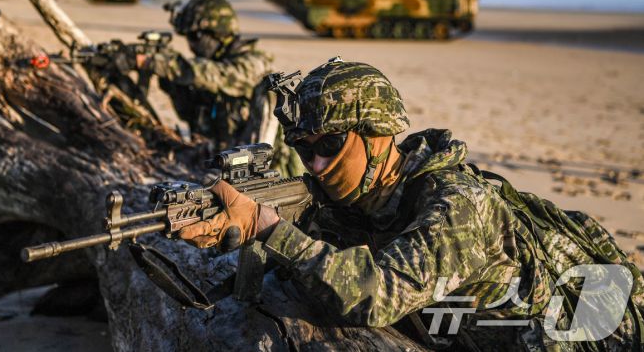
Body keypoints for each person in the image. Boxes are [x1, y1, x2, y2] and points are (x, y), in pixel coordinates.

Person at [178, 58, 644, 350]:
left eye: (331, 144)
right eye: (304, 148)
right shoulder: (356, 197)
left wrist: (269, 229)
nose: (316, 164)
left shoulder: (457, 206)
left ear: (378, 137)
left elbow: (377, 295)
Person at [136, 0, 274, 151]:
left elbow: (214, 75)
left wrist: (154, 62)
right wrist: (171, 82)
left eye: (194, 37)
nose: (191, 45)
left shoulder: (253, 64)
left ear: (216, 33)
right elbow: (189, 114)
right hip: (216, 156)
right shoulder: (212, 66)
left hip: (256, 163)